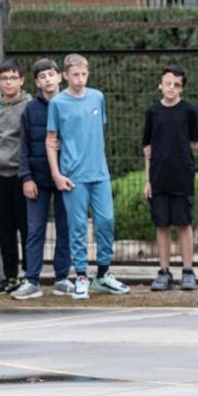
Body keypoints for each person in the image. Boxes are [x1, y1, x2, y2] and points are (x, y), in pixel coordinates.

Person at [45, 53, 129, 300]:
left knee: (106, 221)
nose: (80, 79)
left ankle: (102, 275)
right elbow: (51, 140)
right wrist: (56, 174)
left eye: (83, 74)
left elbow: (94, 131)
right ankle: (81, 276)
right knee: (78, 227)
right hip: (73, 176)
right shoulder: (57, 103)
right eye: (75, 75)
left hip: (99, 173)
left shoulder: (97, 97)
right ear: (65, 76)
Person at [12, 59, 71, 300]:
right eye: (42, 76)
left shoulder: (70, 104)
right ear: (36, 82)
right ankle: (32, 280)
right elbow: (24, 146)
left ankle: (62, 278)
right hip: (37, 179)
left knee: (65, 229)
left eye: (51, 74)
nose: (48, 79)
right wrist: (26, 177)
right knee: (34, 230)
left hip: (66, 179)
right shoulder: (30, 109)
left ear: (60, 76)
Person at [142, 64, 198, 291]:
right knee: (162, 225)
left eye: (176, 85)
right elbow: (147, 149)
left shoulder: (189, 111)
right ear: (160, 85)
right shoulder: (152, 112)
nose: (171, 88)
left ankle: (188, 271)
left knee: (184, 223)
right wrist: (148, 180)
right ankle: (164, 272)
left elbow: (194, 143)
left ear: (182, 88)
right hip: (158, 177)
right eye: (168, 83)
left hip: (182, 176)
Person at [0, 59, 31, 295]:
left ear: (22, 80)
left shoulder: (30, 105)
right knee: (4, 229)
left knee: (26, 227)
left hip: (21, 174)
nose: (9, 82)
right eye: (4, 78)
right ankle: (10, 276)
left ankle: (29, 274)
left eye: (13, 78)